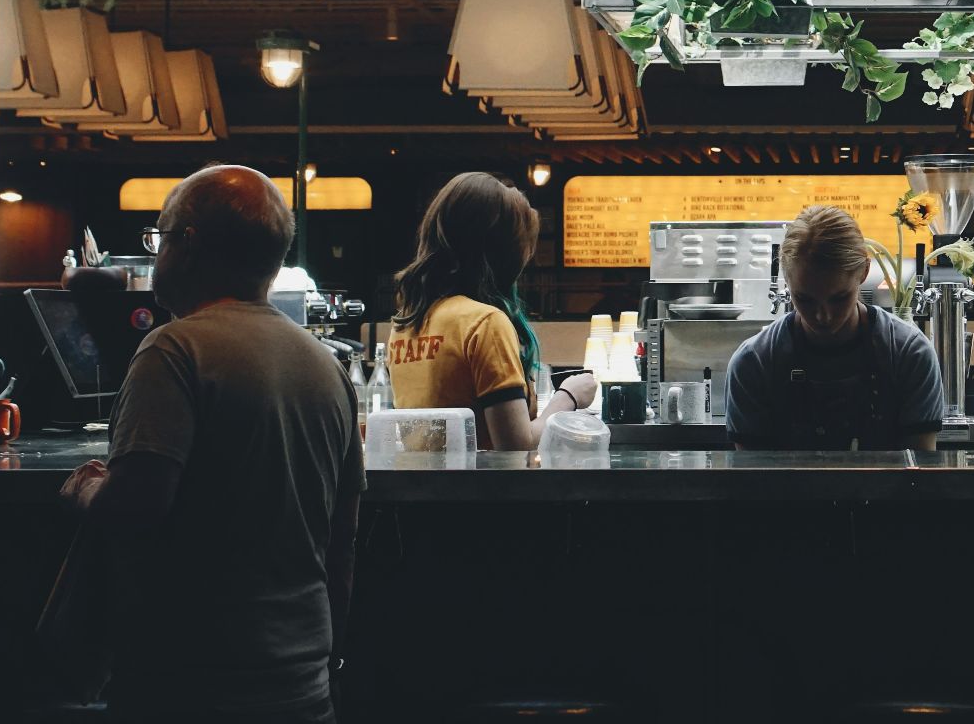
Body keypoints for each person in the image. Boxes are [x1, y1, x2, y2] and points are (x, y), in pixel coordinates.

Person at [58, 166, 363, 724]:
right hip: (302, 686)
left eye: (160, 236)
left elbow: (134, 509)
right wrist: (328, 662)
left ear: (189, 244)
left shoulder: (175, 350)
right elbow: (341, 543)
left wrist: (86, 487)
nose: (156, 254)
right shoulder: (327, 367)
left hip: (189, 687)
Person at [387, 172, 597, 450]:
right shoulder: (485, 323)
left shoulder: (404, 324)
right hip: (479, 478)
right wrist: (568, 397)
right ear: (502, 252)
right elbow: (516, 446)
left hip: (421, 478)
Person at [726, 205, 943, 451]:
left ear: (864, 271)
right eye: (805, 299)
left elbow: (918, 469)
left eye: (839, 298)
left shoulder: (910, 355)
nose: (823, 316)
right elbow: (752, 473)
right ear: (787, 280)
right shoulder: (754, 363)